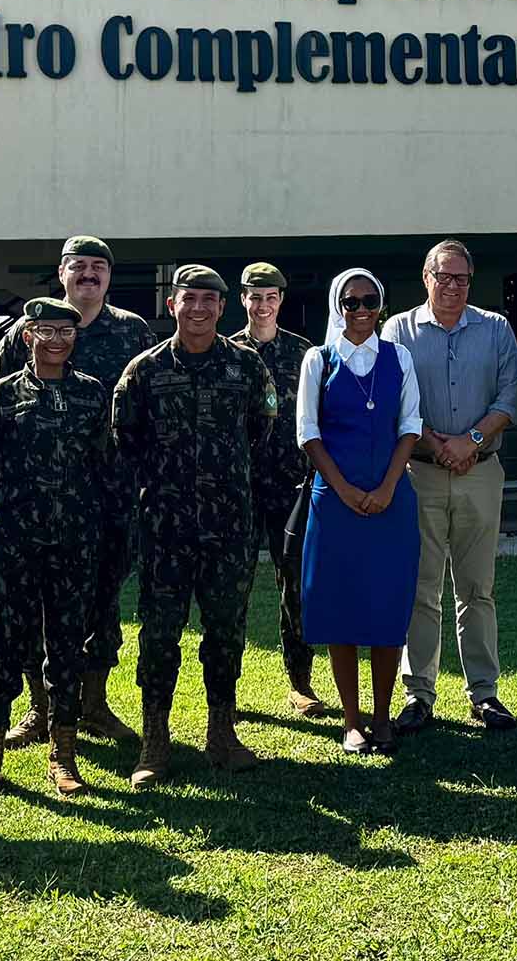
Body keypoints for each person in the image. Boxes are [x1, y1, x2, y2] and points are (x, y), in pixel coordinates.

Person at [111, 264, 278, 786]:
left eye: (209, 299)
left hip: (229, 524)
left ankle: (222, 732)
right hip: (166, 526)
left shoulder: (247, 367)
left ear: (222, 307)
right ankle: (155, 741)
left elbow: (262, 429)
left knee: (226, 631)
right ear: (172, 305)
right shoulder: (144, 370)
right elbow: (125, 439)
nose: (199, 308)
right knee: (160, 633)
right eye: (190, 299)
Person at [0, 234, 152, 749]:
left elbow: (149, 405)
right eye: (79, 266)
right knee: (38, 607)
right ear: (61, 274)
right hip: (36, 504)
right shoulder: (23, 332)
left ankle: (94, 704)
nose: (89, 275)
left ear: (109, 276)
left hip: (110, 499)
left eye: (98, 267)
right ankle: (41, 707)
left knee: (101, 603)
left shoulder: (131, 331)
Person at [0, 297, 116, 799]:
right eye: (45, 331)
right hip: (12, 540)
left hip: (73, 542)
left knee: (67, 647)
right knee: (0, 647)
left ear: (76, 339)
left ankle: (63, 755)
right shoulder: (1, 396)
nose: (55, 341)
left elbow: (104, 462)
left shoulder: (93, 396)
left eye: (65, 333)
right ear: (27, 337)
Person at [383, 239, 517, 735]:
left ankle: (484, 694)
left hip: (480, 471)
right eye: (442, 277)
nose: (451, 287)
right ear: (427, 278)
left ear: (471, 281)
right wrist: (437, 442)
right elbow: (392, 397)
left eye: (461, 278)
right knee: (421, 588)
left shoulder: (496, 329)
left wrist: (471, 440)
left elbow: (511, 394)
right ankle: (419, 693)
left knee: (477, 588)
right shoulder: (398, 329)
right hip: (419, 470)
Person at [296, 268, 424, 753]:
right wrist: (345, 489)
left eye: (371, 300)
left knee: (387, 606)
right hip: (336, 501)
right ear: (337, 306)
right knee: (343, 606)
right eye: (351, 302)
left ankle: (383, 715)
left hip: (391, 499)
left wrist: (389, 486)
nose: (362, 310)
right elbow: (308, 431)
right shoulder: (319, 360)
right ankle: (351, 719)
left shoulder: (399, 357)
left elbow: (410, 424)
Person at [231, 261, 320, 717]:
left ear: (281, 301)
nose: (262, 305)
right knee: (232, 588)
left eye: (271, 297)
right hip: (238, 489)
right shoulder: (225, 353)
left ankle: (300, 682)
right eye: (254, 296)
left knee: (296, 587)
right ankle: (226, 687)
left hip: (291, 486)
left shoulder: (305, 354)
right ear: (242, 299)